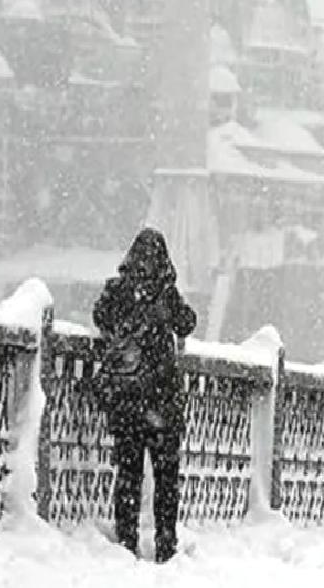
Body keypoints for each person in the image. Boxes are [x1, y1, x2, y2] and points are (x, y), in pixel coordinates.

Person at [93, 227, 197, 564]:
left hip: (127, 400)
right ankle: (166, 543)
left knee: (128, 474)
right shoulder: (166, 294)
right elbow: (188, 323)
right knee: (166, 478)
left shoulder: (118, 289)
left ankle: (127, 541)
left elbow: (100, 316)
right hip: (161, 400)